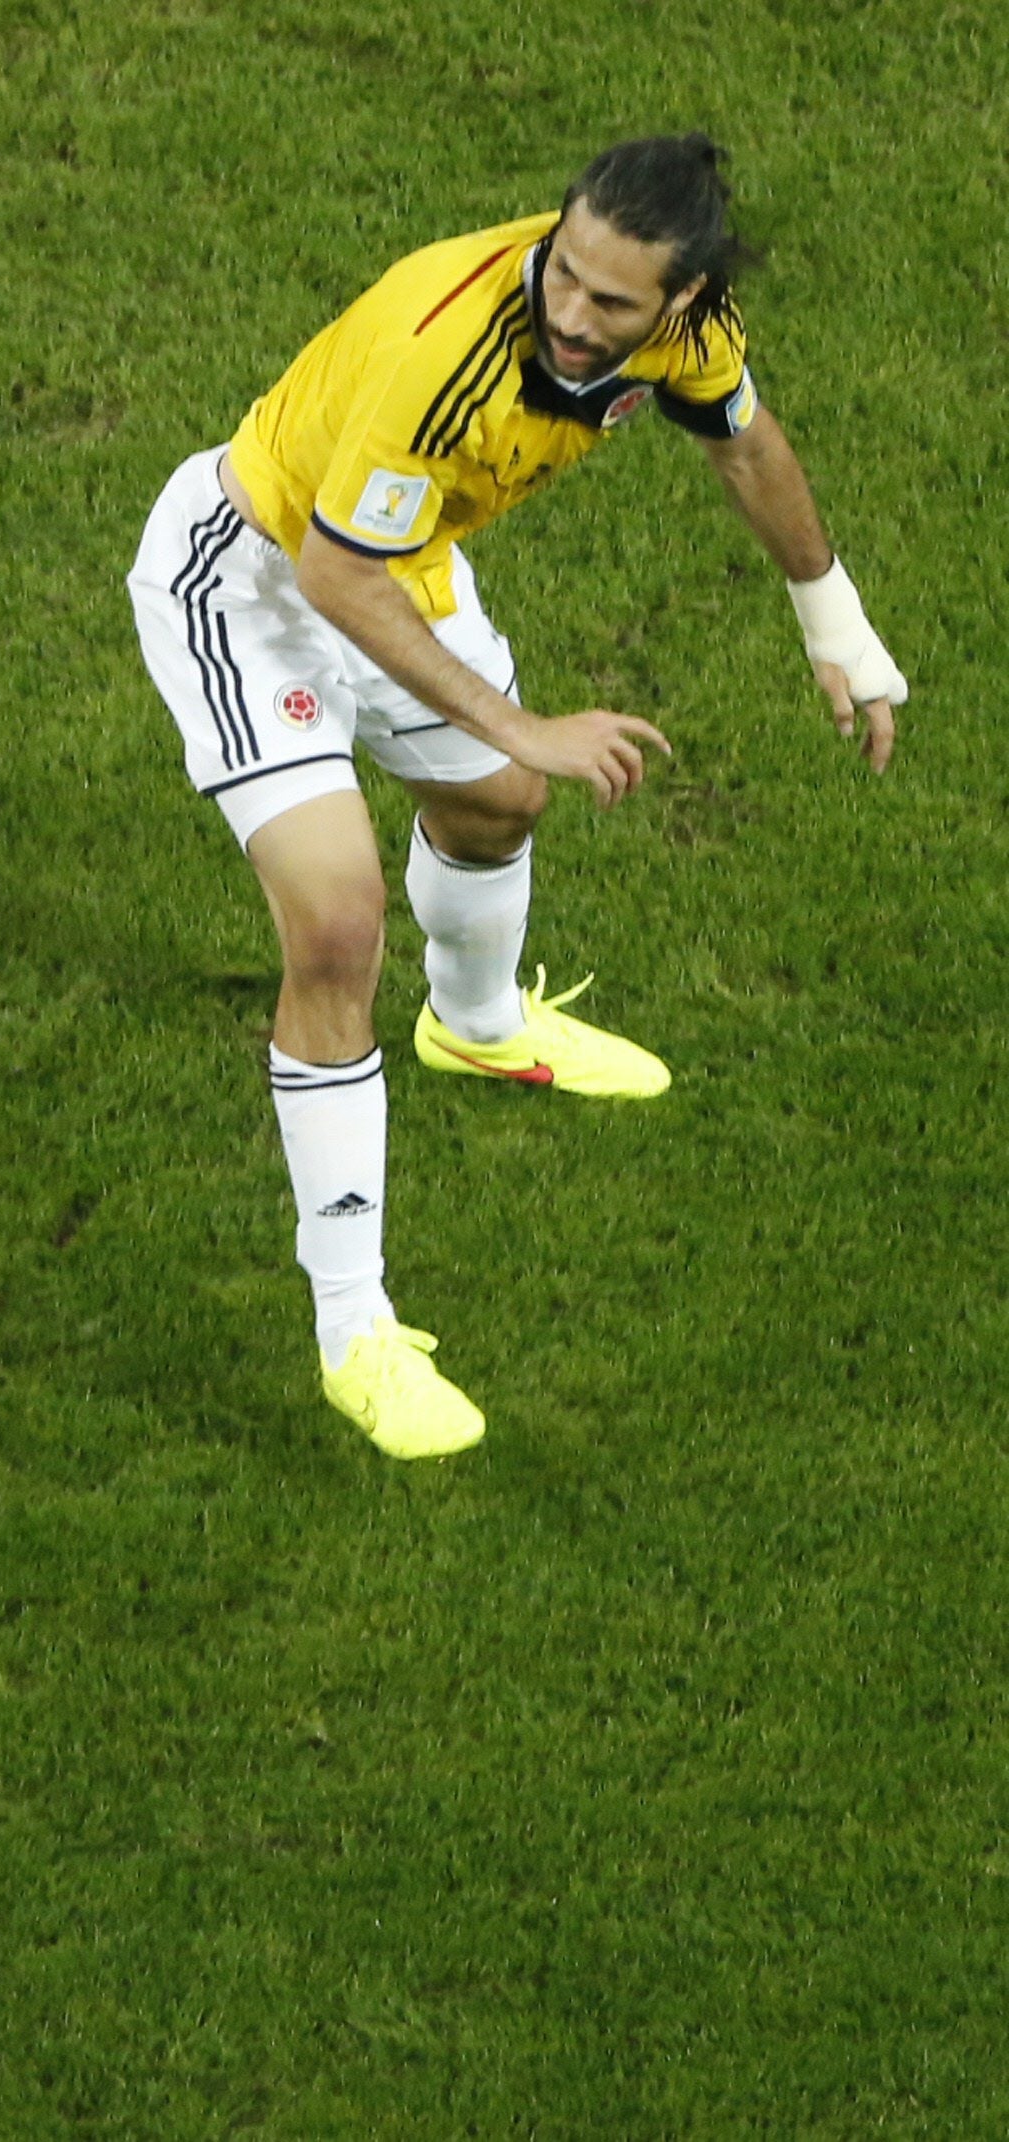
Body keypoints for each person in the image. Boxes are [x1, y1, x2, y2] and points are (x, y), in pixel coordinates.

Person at [124, 135, 908, 1460]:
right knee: (334, 923)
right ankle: (353, 1329)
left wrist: (833, 616)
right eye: (565, 273)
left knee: (496, 807)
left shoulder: (689, 327)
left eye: (612, 300)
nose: (571, 309)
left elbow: (742, 441)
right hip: (253, 582)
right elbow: (330, 577)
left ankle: (476, 1024)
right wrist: (526, 722)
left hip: (401, 563)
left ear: (681, 296)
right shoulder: (450, 346)